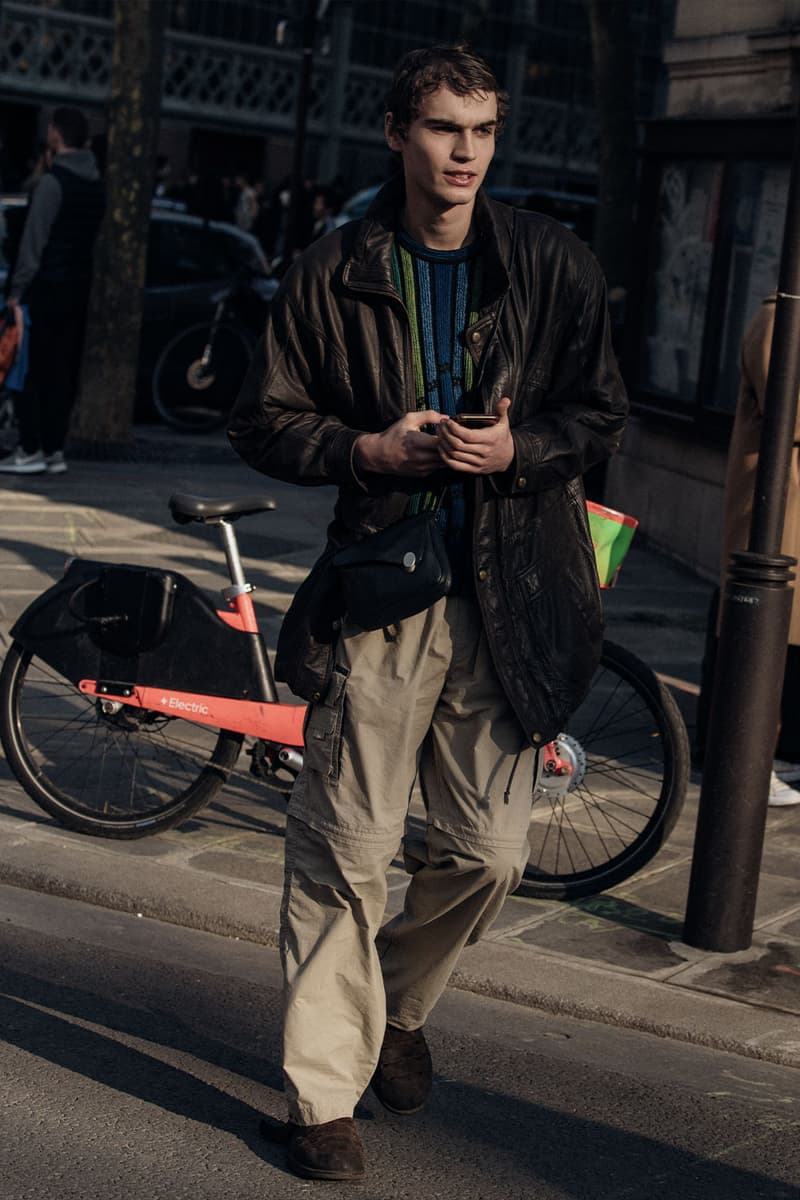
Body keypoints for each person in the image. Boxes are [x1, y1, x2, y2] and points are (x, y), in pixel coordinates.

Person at [229, 43, 627, 1182]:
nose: (465, 152)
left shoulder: (548, 262)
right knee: (342, 848)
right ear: (399, 133)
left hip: (511, 594)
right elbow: (263, 421)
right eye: (445, 128)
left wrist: (520, 448)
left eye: (483, 130)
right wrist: (365, 447)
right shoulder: (332, 268)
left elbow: (598, 412)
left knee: (492, 854)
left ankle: (396, 1006)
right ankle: (319, 1096)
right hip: (380, 594)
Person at [717, 295, 800, 806]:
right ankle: (749, 762)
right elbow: (787, 407)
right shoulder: (778, 318)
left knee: (781, 644)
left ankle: (765, 755)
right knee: (763, 639)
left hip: (788, 506)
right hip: (775, 507)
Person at [0, 107, 105, 475]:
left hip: (43, 290)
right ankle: (53, 449)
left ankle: (29, 447)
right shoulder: (96, 183)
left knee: (28, 369)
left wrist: (16, 292)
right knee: (61, 372)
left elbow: (34, 243)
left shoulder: (52, 183)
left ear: (55, 135)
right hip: (76, 290)